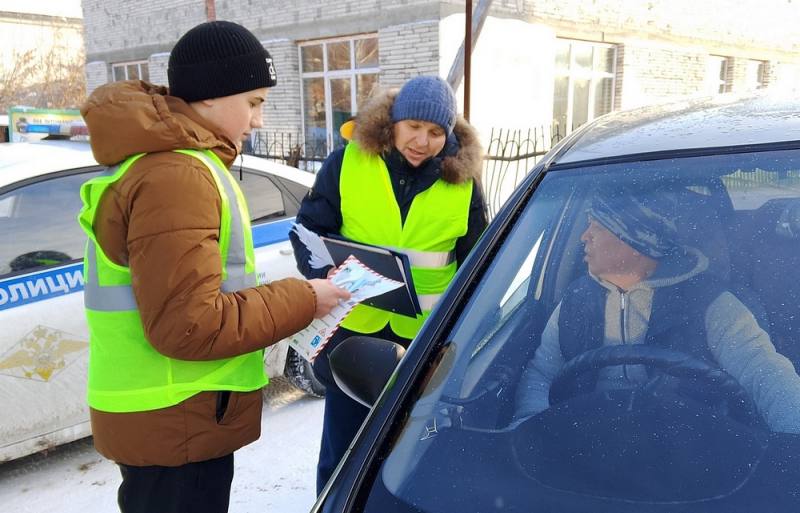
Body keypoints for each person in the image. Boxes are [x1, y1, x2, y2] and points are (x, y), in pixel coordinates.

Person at [78, 21, 349, 513]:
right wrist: (305, 298)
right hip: (174, 415)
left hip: (167, 415)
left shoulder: (169, 164)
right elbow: (188, 324)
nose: (259, 120)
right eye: (254, 101)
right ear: (209, 96)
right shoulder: (177, 175)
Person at [289, 75, 488, 492]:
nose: (422, 140)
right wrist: (320, 277)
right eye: (414, 126)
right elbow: (308, 229)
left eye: (436, 132)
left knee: (408, 450)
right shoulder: (347, 162)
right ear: (393, 122)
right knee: (343, 450)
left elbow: (477, 262)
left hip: (423, 345)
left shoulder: (463, 182)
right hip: (351, 336)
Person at [513, 187, 800, 433]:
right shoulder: (575, 300)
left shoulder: (710, 304)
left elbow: (766, 373)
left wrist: (792, 441)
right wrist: (529, 432)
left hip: (686, 454)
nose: (583, 237)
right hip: (591, 445)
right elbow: (542, 373)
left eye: (597, 227)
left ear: (637, 243)